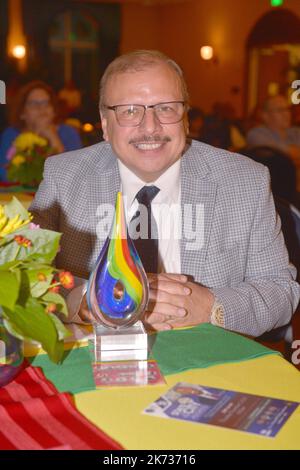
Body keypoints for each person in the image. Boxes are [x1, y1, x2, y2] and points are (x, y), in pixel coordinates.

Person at [29, 50, 300, 337]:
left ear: (185, 117)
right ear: (106, 124)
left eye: (166, 108)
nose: (150, 127)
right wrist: (84, 301)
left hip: (208, 361)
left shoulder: (244, 180)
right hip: (95, 361)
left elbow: (280, 290)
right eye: (130, 110)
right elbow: (24, 272)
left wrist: (211, 306)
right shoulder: (65, 177)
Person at [0, 80, 82, 181]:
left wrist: (53, 137)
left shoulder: (68, 133)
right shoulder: (11, 134)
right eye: (34, 103)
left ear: (53, 111)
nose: (41, 108)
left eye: (46, 103)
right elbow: (5, 174)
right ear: (22, 113)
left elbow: (75, 176)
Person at [247, 95, 300, 162]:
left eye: (287, 109)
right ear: (265, 115)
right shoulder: (256, 134)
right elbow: (279, 157)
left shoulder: (296, 132)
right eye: (280, 110)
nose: (286, 114)